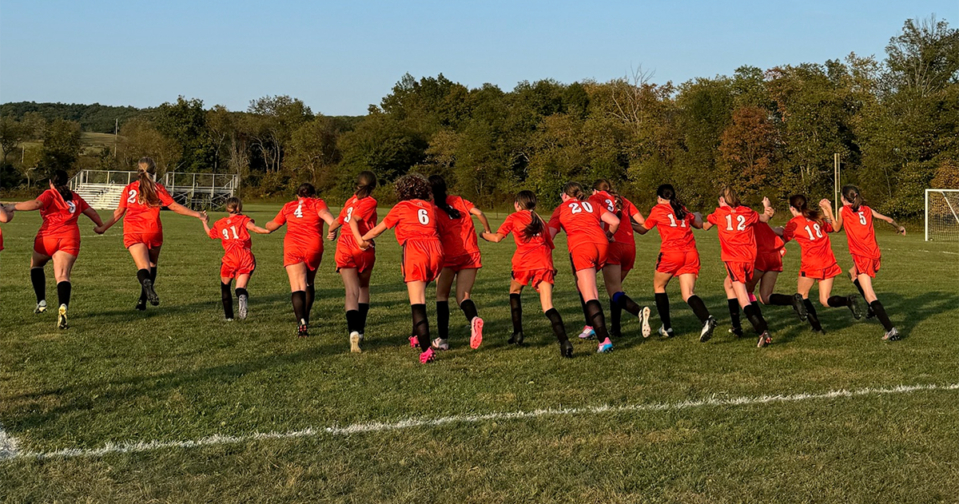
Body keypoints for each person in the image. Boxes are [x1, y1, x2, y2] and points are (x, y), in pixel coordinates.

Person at [353, 173, 444, 364]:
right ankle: (415, 336)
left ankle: (426, 349)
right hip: (436, 249)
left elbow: (379, 229)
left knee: (417, 301)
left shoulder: (402, 206)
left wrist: (363, 240)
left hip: (415, 248)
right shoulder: (430, 206)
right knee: (421, 291)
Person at [95, 157, 207, 310]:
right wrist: (197, 214)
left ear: (138, 171)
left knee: (143, 267)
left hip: (133, 231)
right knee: (152, 264)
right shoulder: (158, 188)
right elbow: (174, 206)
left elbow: (119, 211)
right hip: (152, 229)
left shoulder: (129, 188)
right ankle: (142, 301)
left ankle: (145, 287)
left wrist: (103, 228)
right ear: (154, 171)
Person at [481, 190, 573, 358]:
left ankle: (518, 333)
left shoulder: (513, 217)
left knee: (514, 293)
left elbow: (496, 238)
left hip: (523, 262)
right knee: (548, 306)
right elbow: (549, 244)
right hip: (543, 262)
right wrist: (550, 267)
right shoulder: (540, 220)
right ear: (534, 204)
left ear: (517, 204)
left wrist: (482, 234)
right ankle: (564, 341)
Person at [7, 170, 104, 329]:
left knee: (36, 265)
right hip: (70, 238)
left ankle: (41, 302)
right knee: (63, 275)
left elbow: (37, 204)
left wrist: (13, 206)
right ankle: (63, 307)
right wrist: (100, 225)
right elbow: (91, 212)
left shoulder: (50, 193)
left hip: (48, 237)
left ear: (51, 182)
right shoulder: (75, 196)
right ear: (67, 182)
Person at [819, 185, 905, 341]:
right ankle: (871, 309)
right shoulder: (867, 209)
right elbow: (889, 219)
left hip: (862, 256)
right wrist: (899, 227)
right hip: (873, 254)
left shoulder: (843, 211)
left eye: (841, 197)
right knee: (852, 274)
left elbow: (836, 228)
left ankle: (890, 329)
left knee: (871, 294)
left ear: (844, 198)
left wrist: (828, 210)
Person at [634, 184, 718, 342]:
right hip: (690, 253)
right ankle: (707, 319)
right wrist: (698, 215)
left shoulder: (658, 209)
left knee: (659, 287)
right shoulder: (682, 208)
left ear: (659, 197)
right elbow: (699, 224)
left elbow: (643, 229)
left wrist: (627, 224)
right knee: (688, 294)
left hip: (671, 253)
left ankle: (666, 326)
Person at [772, 195, 863, 334]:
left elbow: (784, 239)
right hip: (828, 261)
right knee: (825, 300)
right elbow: (831, 228)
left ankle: (817, 328)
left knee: (801, 296)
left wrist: (772, 231)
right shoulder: (815, 217)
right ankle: (847, 301)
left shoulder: (793, 223)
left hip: (811, 263)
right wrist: (826, 211)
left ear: (792, 208)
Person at [548, 181, 621, 353]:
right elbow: (615, 220)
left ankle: (604, 340)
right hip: (601, 245)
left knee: (590, 293)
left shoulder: (561, 208)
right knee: (581, 285)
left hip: (582, 247)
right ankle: (591, 325)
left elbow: (550, 236)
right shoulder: (592, 204)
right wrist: (608, 235)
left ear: (565, 195)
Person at [701, 188, 775, 347]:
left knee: (743, 298)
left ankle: (762, 331)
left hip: (733, 259)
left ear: (722, 200)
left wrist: (696, 217)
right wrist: (767, 207)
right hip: (749, 259)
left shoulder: (719, 213)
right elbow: (765, 218)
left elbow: (705, 226)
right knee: (729, 284)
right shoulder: (747, 212)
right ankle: (736, 326)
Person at [263, 183, 336, 337]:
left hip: (292, 246)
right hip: (313, 246)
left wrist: (266, 225)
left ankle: (301, 320)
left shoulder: (289, 206)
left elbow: (272, 226)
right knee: (309, 283)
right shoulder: (318, 203)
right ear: (313, 194)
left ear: (297, 196)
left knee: (297, 286)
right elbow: (330, 219)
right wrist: (332, 230)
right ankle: (306, 317)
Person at [429, 175, 492, 351]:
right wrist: (487, 231)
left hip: (448, 256)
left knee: (442, 296)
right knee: (463, 297)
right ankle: (473, 319)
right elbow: (479, 213)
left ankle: (443, 339)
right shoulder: (458, 200)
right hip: (469, 254)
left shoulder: (432, 208)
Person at [589, 179, 651, 339]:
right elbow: (643, 224)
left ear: (594, 191)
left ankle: (638, 311)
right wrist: (627, 224)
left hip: (612, 244)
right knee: (616, 290)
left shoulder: (594, 199)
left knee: (614, 290)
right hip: (629, 246)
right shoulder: (624, 200)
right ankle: (616, 329)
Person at [326, 171, 379, 353]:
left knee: (350, 292)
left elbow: (336, 222)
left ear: (356, 185)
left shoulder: (349, 202)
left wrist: (331, 232)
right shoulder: (370, 202)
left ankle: (353, 331)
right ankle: (361, 330)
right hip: (361, 244)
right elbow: (355, 221)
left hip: (344, 246)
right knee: (363, 288)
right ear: (373, 187)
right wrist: (360, 240)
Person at [200, 197, 269, 321]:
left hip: (230, 258)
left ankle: (229, 317)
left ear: (227, 208)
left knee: (225, 287)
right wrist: (268, 230)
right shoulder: (243, 219)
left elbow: (210, 234)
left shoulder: (220, 223)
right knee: (240, 288)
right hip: (245, 256)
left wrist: (204, 222)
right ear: (238, 208)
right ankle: (242, 296)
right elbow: (254, 228)